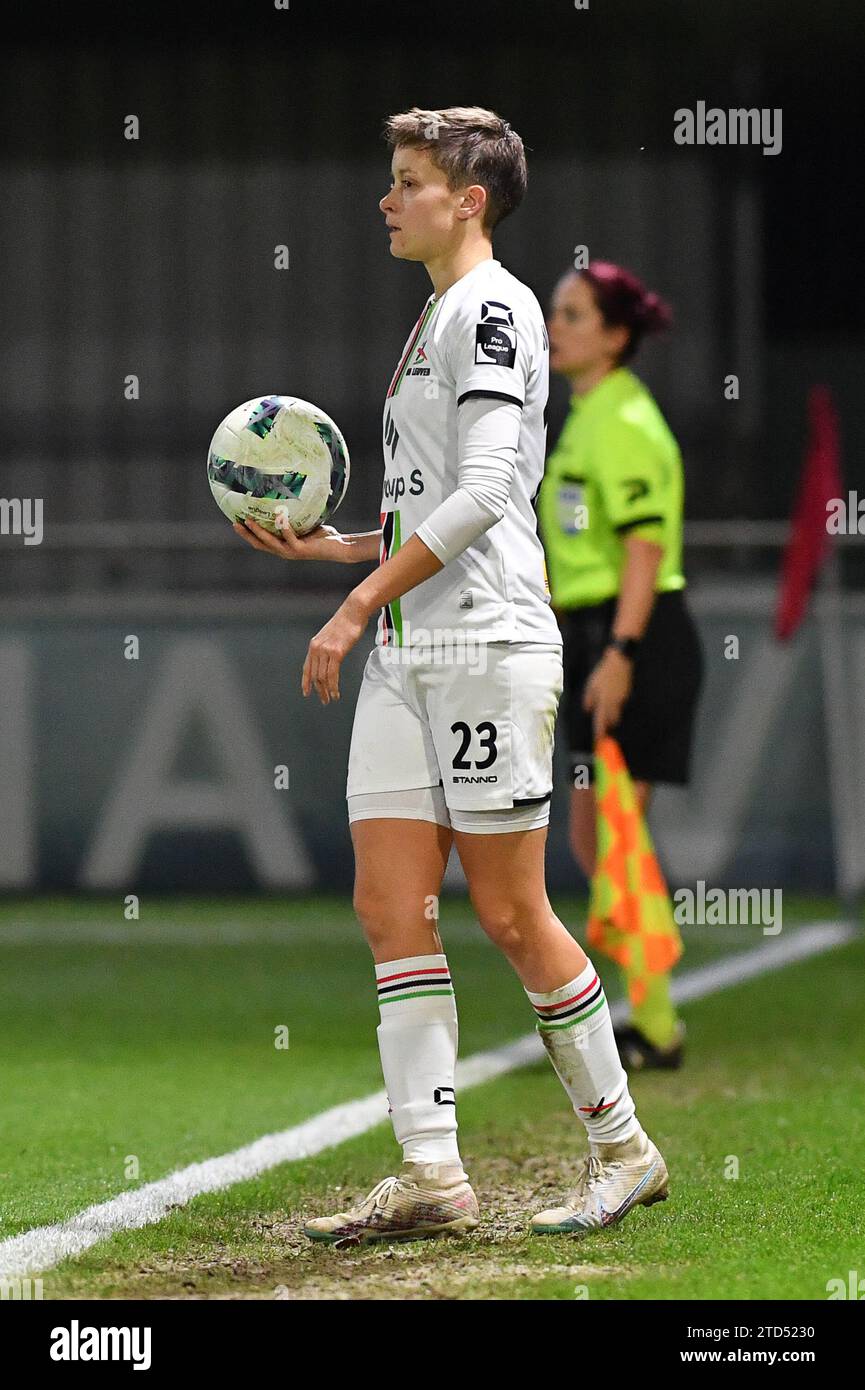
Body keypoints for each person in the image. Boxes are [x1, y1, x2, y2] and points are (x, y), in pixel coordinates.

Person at [235, 109, 669, 1243]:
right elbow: (430, 503)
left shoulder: (491, 307)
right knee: (388, 905)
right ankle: (433, 1173)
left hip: (483, 644)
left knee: (513, 911)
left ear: (468, 199)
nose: (389, 199)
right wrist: (339, 548)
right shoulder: (435, 313)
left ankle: (623, 1148)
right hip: (407, 652)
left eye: (409, 181)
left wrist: (353, 601)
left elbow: (484, 497)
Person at [538, 261, 704, 1070]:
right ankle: (641, 1012)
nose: (553, 326)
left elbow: (644, 547)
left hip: (634, 639)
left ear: (613, 335)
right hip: (592, 637)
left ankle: (655, 1026)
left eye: (570, 315)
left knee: (616, 831)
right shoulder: (586, 414)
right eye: (553, 313)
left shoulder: (625, 420)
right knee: (591, 830)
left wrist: (621, 653)